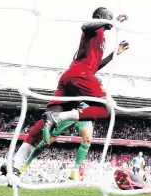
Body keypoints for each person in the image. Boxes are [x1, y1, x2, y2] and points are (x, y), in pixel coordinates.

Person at [40, 8, 129, 143]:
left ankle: (18, 161)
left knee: (52, 112)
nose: (111, 19)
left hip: (70, 76)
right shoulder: (94, 30)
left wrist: (115, 53)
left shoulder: (99, 38)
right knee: (105, 109)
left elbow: (95, 66)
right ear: (100, 17)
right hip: (81, 74)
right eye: (109, 17)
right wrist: (115, 21)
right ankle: (58, 118)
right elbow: (85, 26)